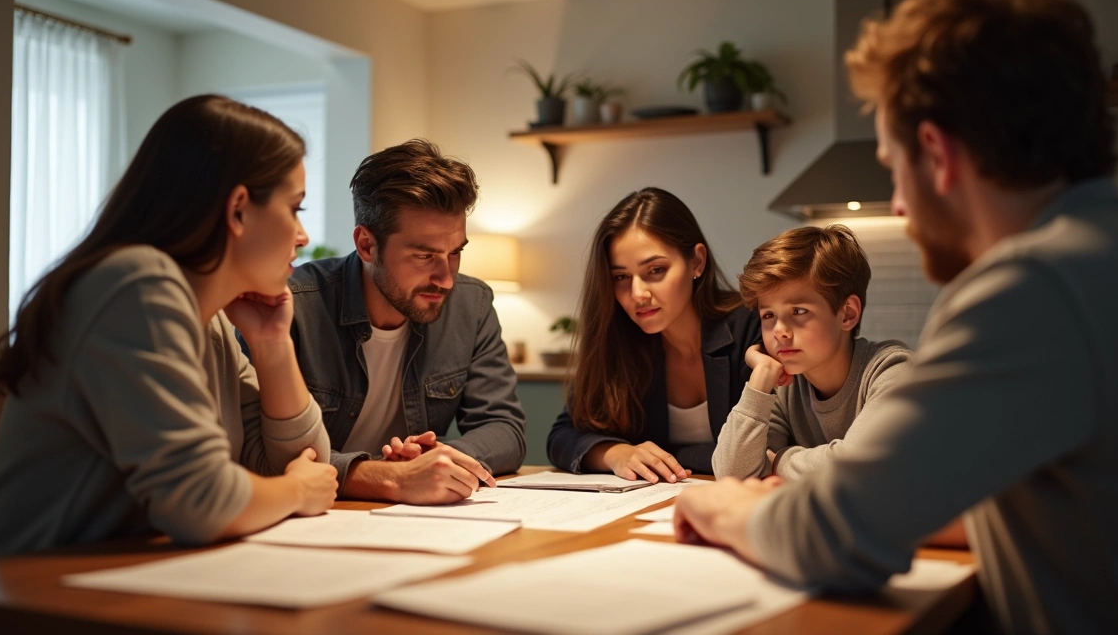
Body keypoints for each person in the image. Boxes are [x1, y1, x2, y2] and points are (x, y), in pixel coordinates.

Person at [674, 0, 1118, 631]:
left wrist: (722, 508)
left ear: (937, 153)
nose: (898, 205)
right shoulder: (1114, 253)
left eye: (893, 169)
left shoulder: (1029, 288)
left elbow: (833, 537)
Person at [0, 95, 338, 561]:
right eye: (295, 208)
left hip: (107, 580)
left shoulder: (210, 318)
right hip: (4, 602)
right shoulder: (137, 285)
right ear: (238, 210)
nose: (302, 236)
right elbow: (204, 502)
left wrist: (272, 342)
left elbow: (299, 458)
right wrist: (296, 492)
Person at [283, 139, 525, 505]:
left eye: (455, 253)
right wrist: (383, 476)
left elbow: (504, 428)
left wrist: (439, 460)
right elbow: (261, 451)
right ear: (367, 245)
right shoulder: (292, 307)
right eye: (424, 255)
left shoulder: (471, 304)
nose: (446, 278)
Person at [547, 188, 762, 481]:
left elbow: (766, 448)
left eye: (655, 270)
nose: (637, 294)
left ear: (697, 262)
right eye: (621, 277)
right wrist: (616, 453)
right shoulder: (619, 339)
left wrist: (670, 454)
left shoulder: (753, 327)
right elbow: (561, 436)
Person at [712, 225, 910, 480]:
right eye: (769, 315)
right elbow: (731, 475)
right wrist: (760, 380)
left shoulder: (894, 371)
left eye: (799, 311)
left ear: (847, 313)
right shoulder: (787, 388)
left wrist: (779, 460)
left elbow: (861, 468)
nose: (780, 331)